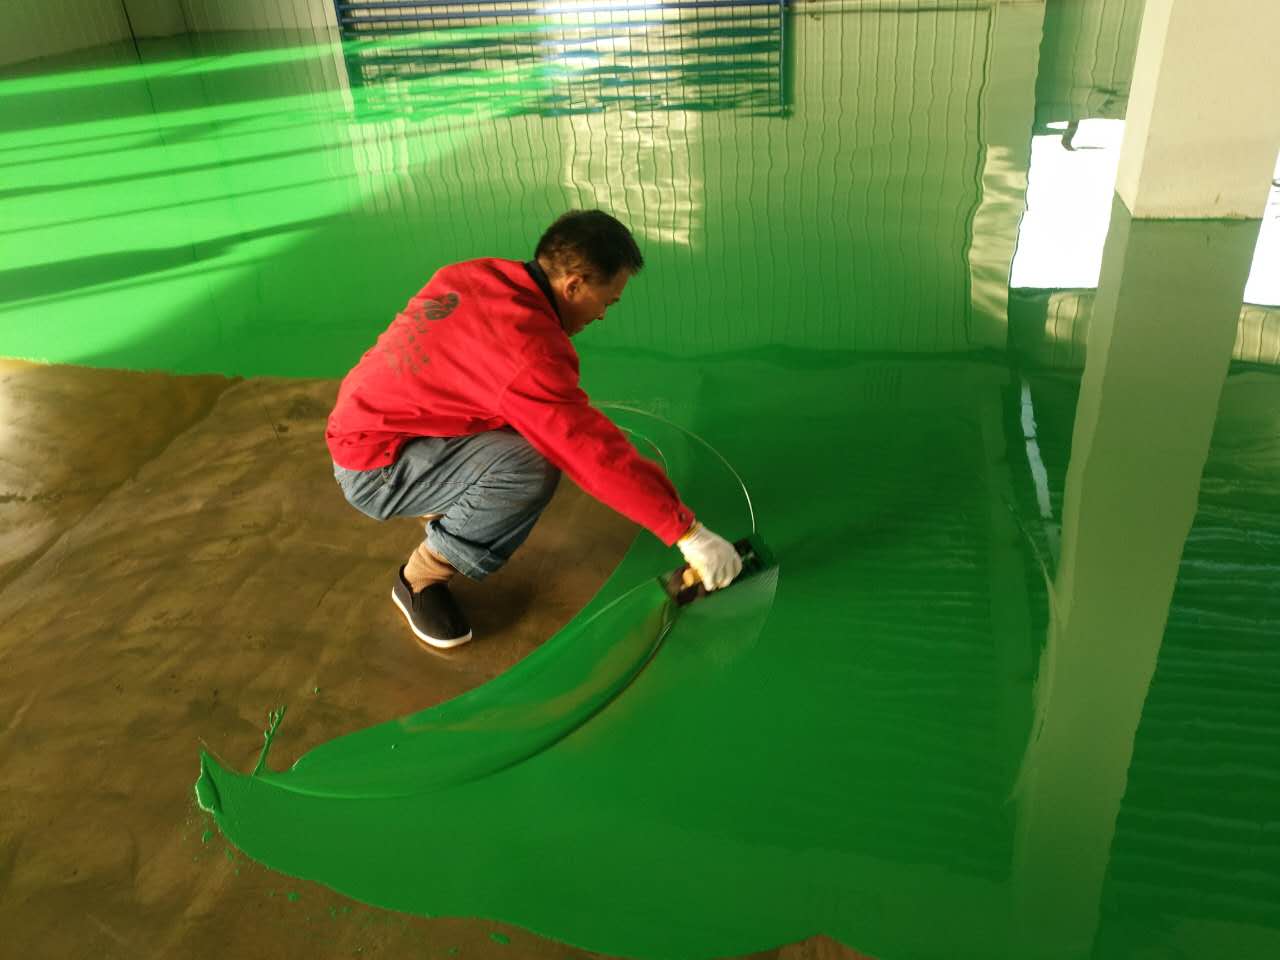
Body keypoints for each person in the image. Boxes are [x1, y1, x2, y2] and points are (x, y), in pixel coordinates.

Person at [326, 210, 742, 649]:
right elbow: (590, 452)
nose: (602, 314)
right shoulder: (527, 354)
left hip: (369, 424)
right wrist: (687, 532)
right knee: (532, 464)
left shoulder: (474, 275)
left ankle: (447, 496)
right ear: (574, 285)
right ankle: (419, 579)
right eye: (607, 301)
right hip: (375, 469)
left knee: (532, 424)